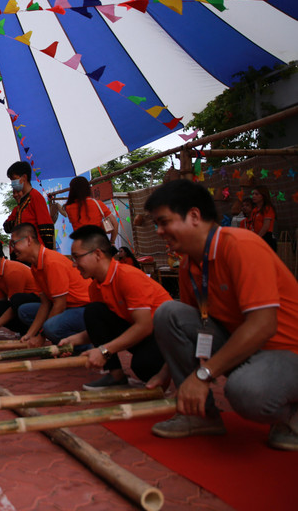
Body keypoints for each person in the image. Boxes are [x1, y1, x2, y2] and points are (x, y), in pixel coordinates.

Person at [143, 180, 298, 451]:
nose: (158, 231)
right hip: (249, 351)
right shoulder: (189, 262)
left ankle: (292, 419)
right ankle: (200, 415)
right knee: (169, 312)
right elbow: (200, 325)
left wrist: (203, 375)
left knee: (246, 391)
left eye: (164, 222)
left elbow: (264, 325)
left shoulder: (240, 245)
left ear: (193, 216)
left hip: (288, 352)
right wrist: (168, 372)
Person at [58, 226, 168, 390]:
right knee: (94, 312)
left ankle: (172, 368)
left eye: (77, 258)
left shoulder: (127, 276)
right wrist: (74, 340)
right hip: (140, 332)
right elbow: (105, 326)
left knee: (144, 367)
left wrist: (104, 350)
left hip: (163, 337)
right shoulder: (95, 287)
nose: (74, 265)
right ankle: (116, 375)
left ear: (97, 254)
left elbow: (144, 326)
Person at [11, 223, 92, 348]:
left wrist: (42, 336)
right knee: (25, 311)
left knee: (50, 327)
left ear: (28, 240)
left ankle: (85, 346)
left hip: (84, 308)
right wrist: (30, 335)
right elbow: (45, 303)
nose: (12, 249)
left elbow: (60, 304)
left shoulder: (51, 262)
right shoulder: (35, 266)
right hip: (67, 308)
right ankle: (59, 338)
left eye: (14, 243)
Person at [3, 161, 54, 250]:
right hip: (24, 250)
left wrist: (47, 252)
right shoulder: (21, 201)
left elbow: (45, 225)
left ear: (24, 177)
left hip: (35, 250)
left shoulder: (35, 196)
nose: (12, 183)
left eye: (14, 179)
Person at [56, 176, 118, 243]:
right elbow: (115, 224)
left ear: (72, 190)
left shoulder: (69, 208)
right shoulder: (98, 204)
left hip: (80, 244)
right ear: (87, 188)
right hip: (97, 243)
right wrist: (112, 241)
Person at [247, 185, 277, 249]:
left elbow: (266, 226)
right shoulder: (254, 210)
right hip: (256, 235)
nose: (254, 196)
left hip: (266, 237)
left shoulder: (268, 209)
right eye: (253, 194)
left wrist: (258, 237)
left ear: (263, 196)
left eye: (257, 194)